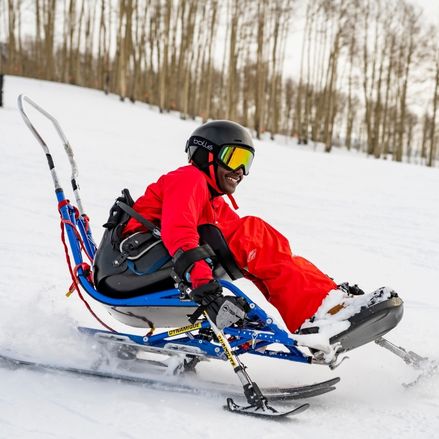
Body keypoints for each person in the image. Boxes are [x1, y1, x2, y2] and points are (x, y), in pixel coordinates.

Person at [123, 120, 392, 335]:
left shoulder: (212, 202)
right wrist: (203, 283)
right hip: (137, 265)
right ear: (206, 155)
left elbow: (275, 260)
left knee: (265, 245)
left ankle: (327, 300)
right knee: (253, 236)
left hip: (153, 266)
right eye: (233, 157)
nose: (240, 170)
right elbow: (178, 230)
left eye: (246, 162)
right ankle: (321, 311)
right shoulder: (189, 178)